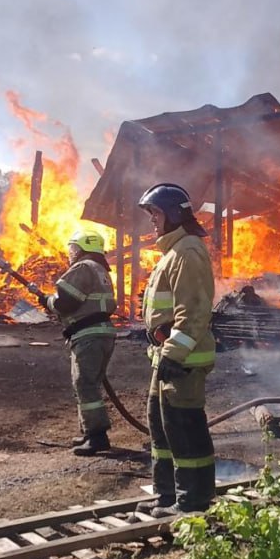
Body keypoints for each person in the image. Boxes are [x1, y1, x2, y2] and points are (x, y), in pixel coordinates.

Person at [136, 182, 216, 516]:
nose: (152, 219)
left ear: (170, 214)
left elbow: (194, 311)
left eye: (155, 212)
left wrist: (174, 354)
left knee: (184, 427)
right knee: (161, 425)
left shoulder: (187, 251)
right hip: (167, 355)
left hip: (183, 358)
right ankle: (167, 495)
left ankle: (193, 502)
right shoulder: (172, 251)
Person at [37, 228, 118, 456]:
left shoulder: (82, 267)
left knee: (85, 383)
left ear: (82, 248)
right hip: (101, 333)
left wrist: (48, 301)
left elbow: (66, 303)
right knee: (88, 382)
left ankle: (97, 437)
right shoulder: (100, 269)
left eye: (73, 248)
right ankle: (89, 431)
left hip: (88, 335)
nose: (70, 253)